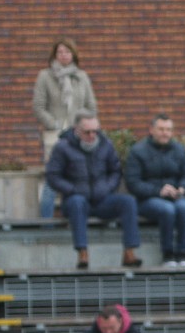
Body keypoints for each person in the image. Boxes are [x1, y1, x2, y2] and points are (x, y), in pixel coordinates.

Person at [45, 113, 142, 269]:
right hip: (75, 199)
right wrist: (72, 189)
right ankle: (82, 253)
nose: (92, 135)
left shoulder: (106, 144)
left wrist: (107, 187)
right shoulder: (63, 147)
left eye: (95, 131)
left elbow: (115, 171)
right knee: (77, 203)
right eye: (87, 132)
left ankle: (129, 252)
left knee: (128, 202)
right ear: (77, 130)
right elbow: (53, 176)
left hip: (102, 198)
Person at [32, 37, 97, 219]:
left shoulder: (81, 77)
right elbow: (38, 107)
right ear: (54, 55)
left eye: (67, 51)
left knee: (79, 178)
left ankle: (78, 220)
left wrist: (79, 122)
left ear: (73, 54)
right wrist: (55, 124)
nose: (63, 55)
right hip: (55, 136)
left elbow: (92, 107)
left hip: (78, 136)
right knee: (53, 180)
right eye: (59, 52)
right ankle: (46, 224)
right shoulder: (45, 76)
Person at [124, 114, 185, 267]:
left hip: (175, 197)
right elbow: (133, 183)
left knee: (184, 207)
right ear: (151, 130)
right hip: (147, 200)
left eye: (168, 130)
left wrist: (182, 188)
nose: (165, 133)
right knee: (167, 209)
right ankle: (167, 254)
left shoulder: (179, 150)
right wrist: (158, 191)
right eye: (161, 129)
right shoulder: (138, 151)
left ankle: (182, 252)